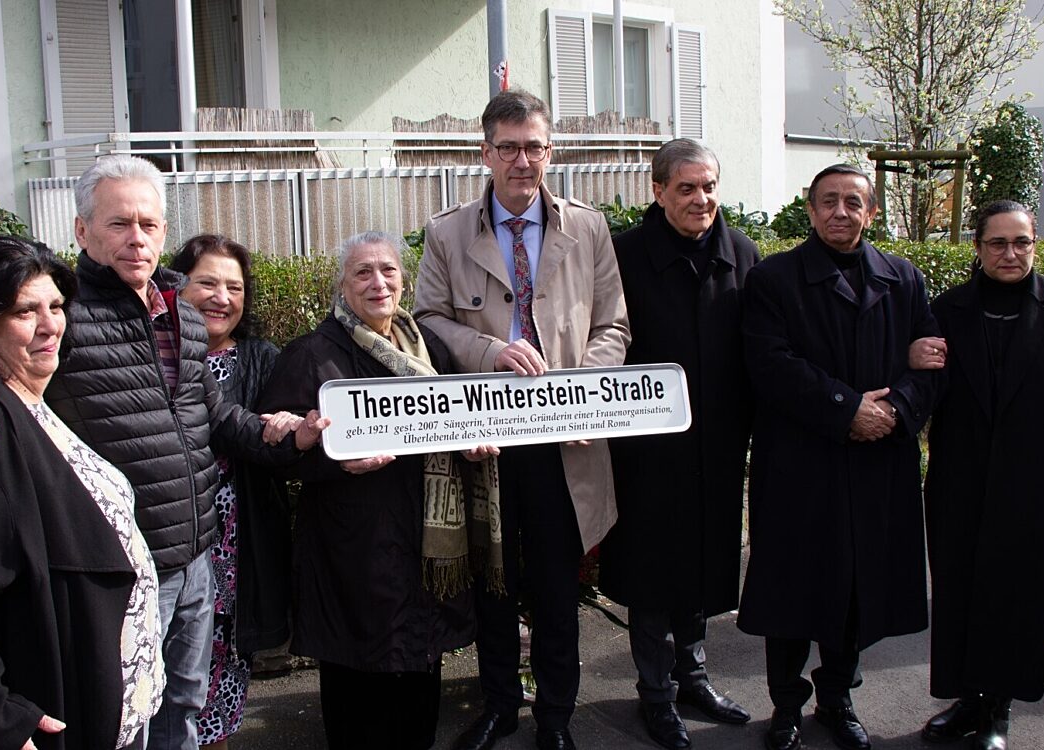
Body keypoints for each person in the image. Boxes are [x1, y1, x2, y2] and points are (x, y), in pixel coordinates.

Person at [0, 154, 326, 750]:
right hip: (119, 572)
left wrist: (283, 436)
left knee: (181, 707)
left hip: (196, 558)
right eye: (118, 224)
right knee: (118, 720)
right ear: (82, 231)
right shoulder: (64, 309)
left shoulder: (178, 309)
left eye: (149, 225)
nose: (137, 239)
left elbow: (211, 413)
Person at [414, 88, 630, 750]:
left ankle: (558, 716)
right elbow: (427, 319)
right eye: (507, 148)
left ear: (550, 150)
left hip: (567, 439)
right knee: (495, 585)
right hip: (487, 440)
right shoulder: (447, 232)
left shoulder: (587, 228)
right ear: (485, 153)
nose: (522, 161)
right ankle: (502, 704)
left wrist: (580, 391)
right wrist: (488, 351)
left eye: (534, 146)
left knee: (559, 588)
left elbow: (613, 325)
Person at [0, 237, 163, 750]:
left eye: (56, 306)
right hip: (47, 720)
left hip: (112, 710)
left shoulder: (29, 404)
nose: (50, 325)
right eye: (26, 311)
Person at [738, 164, 940, 750]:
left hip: (876, 462)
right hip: (801, 461)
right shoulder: (773, 279)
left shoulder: (903, 278)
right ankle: (783, 708)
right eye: (828, 201)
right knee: (792, 588)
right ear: (809, 208)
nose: (839, 213)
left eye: (853, 203)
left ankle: (837, 698)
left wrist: (896, 410)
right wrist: (845, 406)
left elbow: (929, 363)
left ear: (871, 213)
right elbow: (769, 364)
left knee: (856, 587)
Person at [256, 231, 480, 749]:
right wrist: (334, 462)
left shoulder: (429, 348)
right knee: (356, 686)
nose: (378, 282)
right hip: (351, 553)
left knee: (420, 678)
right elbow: (273, 455)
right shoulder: (311, 355)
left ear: (404, 280)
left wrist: (471, 450)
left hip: (424, 546)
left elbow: (456, 421)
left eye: (388, 270)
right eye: (362, 272)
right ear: (342, 284)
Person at [917, 201, 1044, 750]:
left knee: (1019, 601)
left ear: (1035, 244)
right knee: (961, 595)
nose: (1010, 253)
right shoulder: (946, 312)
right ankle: (967, 700)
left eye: (1021, 242)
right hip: (962, 484)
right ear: (977, 248)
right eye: (997, 243)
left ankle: (997, 711)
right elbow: (925, 387)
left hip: (1042, 490)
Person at [597, 139, 756, 750]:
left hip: (716, 445)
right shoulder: (624, 255)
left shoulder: (741, 253)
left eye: (709, 186)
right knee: (651, 574)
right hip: (645, 451)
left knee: (702, 565)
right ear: (658, 190)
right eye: (686, 188)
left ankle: (693, 676)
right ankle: (655, 694)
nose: (701, 198)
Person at [168, 235, 298, 749]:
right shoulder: (158, 354)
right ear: (178, 287)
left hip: (238, 544)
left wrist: (292, 427)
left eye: (234, 287)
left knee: (225, 655)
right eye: (207, 283)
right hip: (172, 538)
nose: (221, 297)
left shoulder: (261, 358)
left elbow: (280, 441)